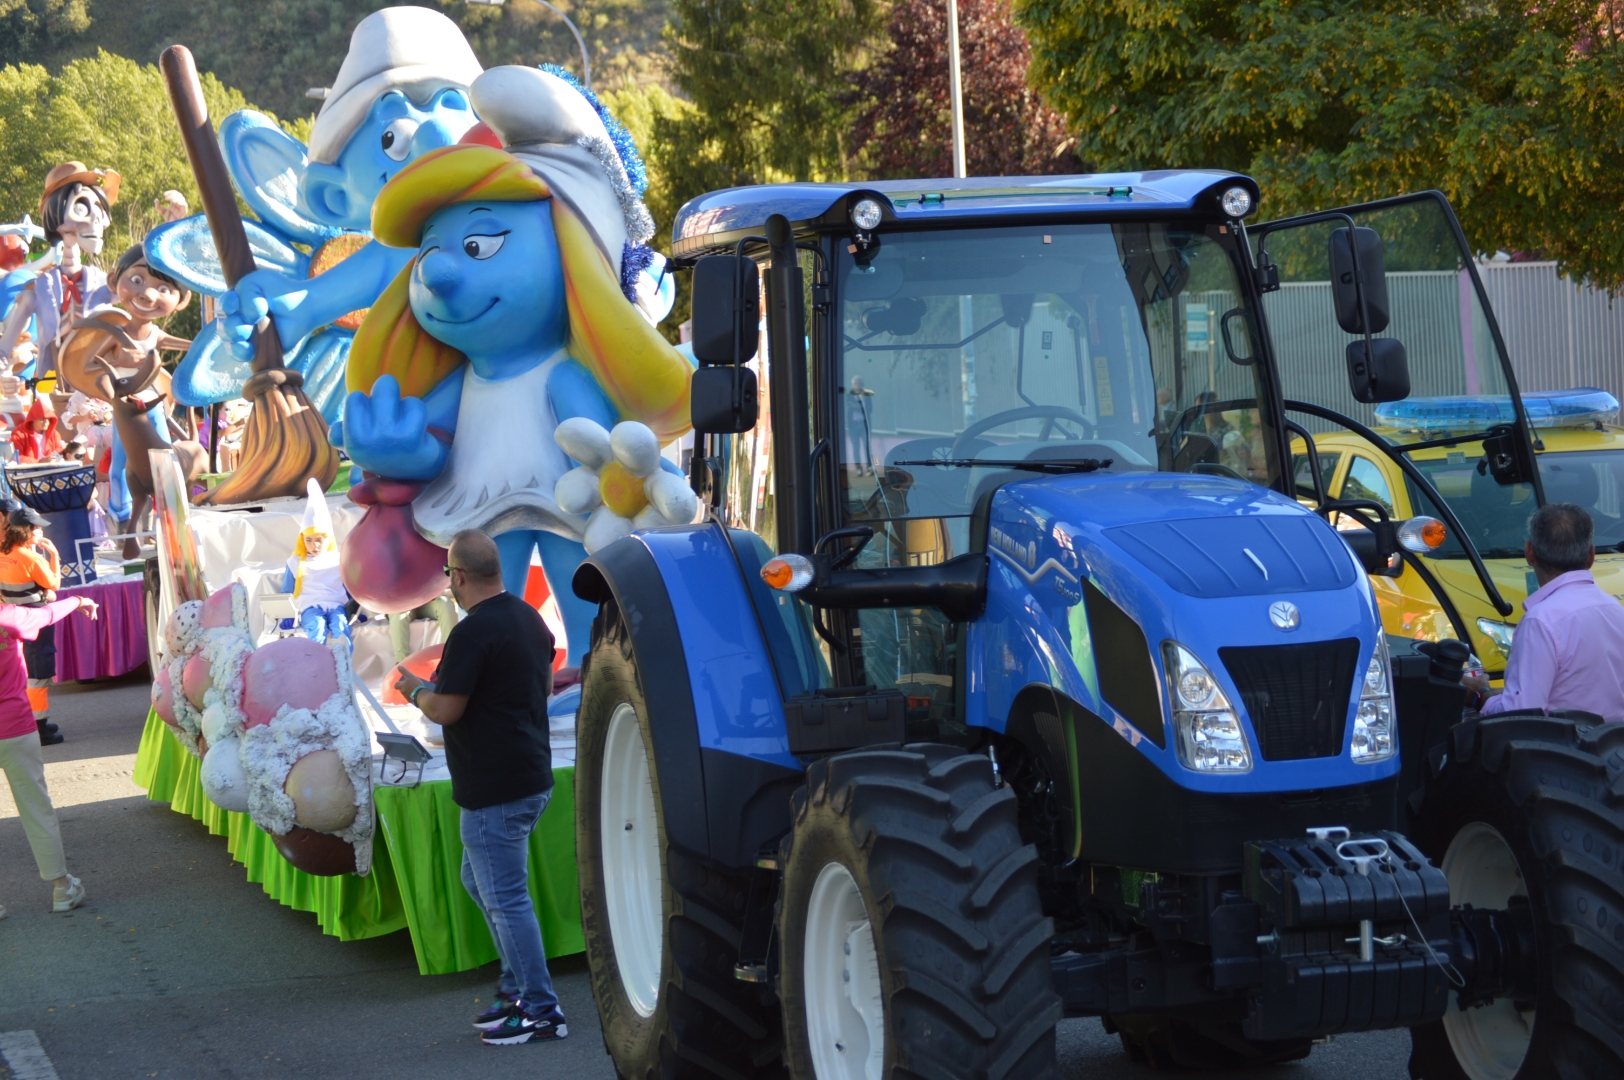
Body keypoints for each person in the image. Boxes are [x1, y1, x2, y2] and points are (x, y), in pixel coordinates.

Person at [392, 529, 564, 1046]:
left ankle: (540, 1009)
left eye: (448, 575)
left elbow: (447, 709)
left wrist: (414, 688)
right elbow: (543, 685)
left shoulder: (472, 633)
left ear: (459, 576)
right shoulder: (527, 618)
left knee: (506, 898)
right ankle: (517, 989)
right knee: (483, 885)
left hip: (497, 787)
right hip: (526, 775)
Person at [1464, 503, 1624, 722]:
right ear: (1591, 555)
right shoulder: (1615, 611)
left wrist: (1481, 694)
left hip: (1565, 753)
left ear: (1529, 552)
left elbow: (1519, 716)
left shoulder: (1541, 621)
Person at [0, 588, 97, 918]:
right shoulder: (9, 617)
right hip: (14, 726)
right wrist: (80, 601)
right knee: (36, 807)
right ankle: (61, 888)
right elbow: (48, 614)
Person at [0, 507, 64, 742]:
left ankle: (31, 722)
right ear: (25, 531)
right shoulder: (32, 557)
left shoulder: (3, 553)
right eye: (36, 528)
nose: (40, 531)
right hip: (36, 622)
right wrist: (54, 556)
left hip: (12, 621)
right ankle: (39, 727)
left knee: (23, 672)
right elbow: (54, 584)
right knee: (38, 674)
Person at [279, 478, 351, 645]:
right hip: (310, 607)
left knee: (341, 626)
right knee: (317, 627)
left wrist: (353, 610)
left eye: (319, 539)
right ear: (302, 540)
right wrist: (287, 615)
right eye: (309, 540)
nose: (314, 545)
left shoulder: (338, 559)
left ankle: (343, 664)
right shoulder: (295, 562)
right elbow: (287, 591)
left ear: (328, 539)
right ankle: (318, 666)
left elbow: (348, 589)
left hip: (336, 605)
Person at [388, 591, 458, 663]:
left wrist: (438, 590)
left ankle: (452, 658)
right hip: (403, 603)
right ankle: (401, 664)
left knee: (445, 603)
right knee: (397, 613)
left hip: (430, 600)